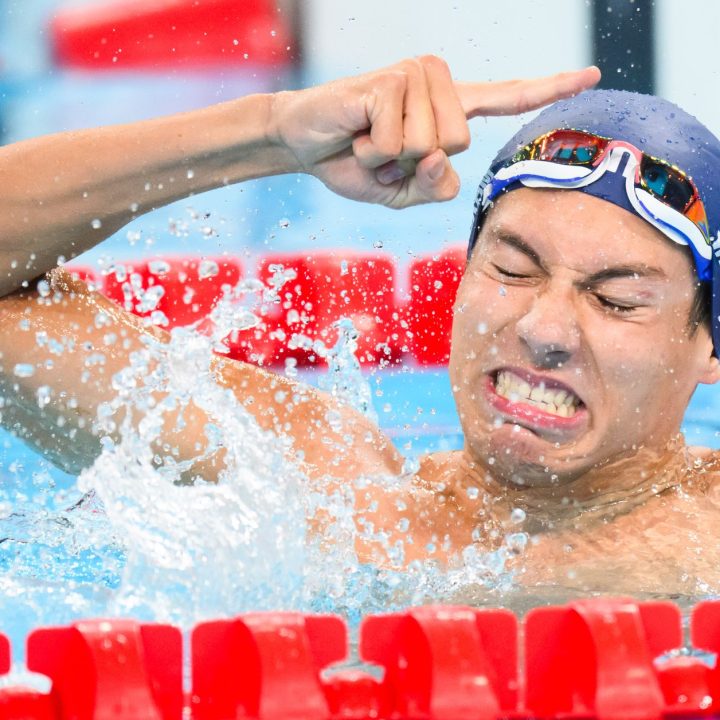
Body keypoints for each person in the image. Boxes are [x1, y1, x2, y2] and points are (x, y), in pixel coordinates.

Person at [0, 56, 717, 596]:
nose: (545, 328)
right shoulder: (325, 476)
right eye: (513, 270)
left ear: (708, 345)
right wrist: (270, 134)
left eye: (617, 300)